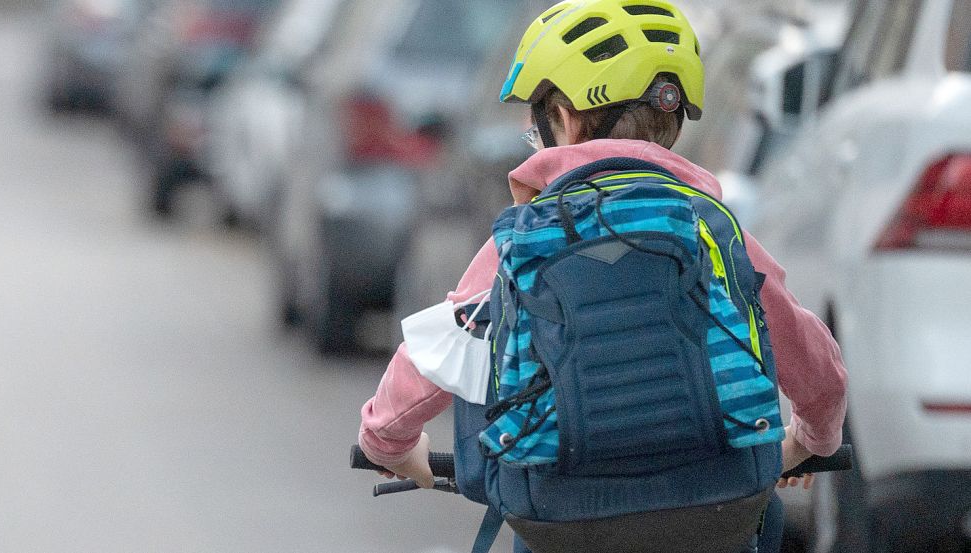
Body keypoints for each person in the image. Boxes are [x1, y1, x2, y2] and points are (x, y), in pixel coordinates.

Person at [359, 1, 848, 551]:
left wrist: (390, 446)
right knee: (765, 525)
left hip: (561, 516)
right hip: (716, 502)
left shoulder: (526, 237)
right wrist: (809, 439)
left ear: (564, 118)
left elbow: (430, 358)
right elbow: (815, 365)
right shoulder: (712, 228)